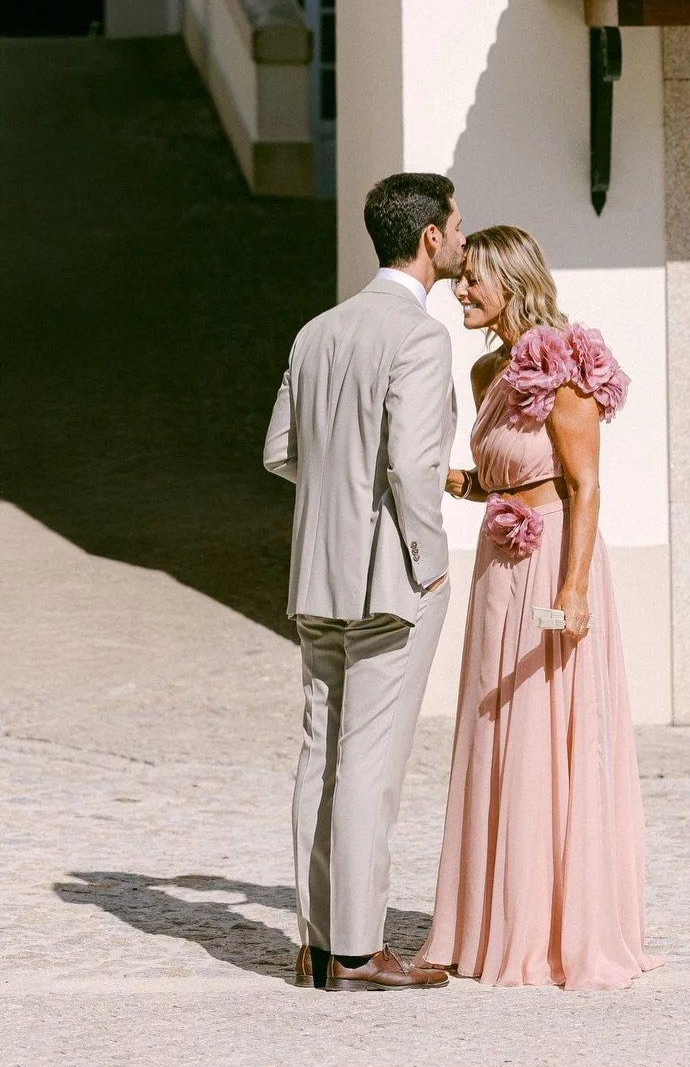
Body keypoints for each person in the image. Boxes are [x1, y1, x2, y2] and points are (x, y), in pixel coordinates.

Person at [419, 224, 660, 990]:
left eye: (474, 280)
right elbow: (500, 477)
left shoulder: (566, 367)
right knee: (495, 728)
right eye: (460, 280)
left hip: (555, 557)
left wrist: (574, 589)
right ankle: (489, 921)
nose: (461, 290)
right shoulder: (489, 367)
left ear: (512, 282)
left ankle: (552, 929)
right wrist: (444, 480)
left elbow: (584, 485)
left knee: (546, 731)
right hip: (499, 557)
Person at [264, 171, 465, 993]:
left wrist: (336, 504)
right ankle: (356, 950)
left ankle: (315, 945)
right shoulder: (419, 338)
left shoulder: (317, 331)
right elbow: (415, 468)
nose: (461, 239)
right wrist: (430, 558)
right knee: (370, 765)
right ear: (428, 238)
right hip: (390, 580)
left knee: (320, 755)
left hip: (316, 575)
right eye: (456, 226)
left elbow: (281, 451)